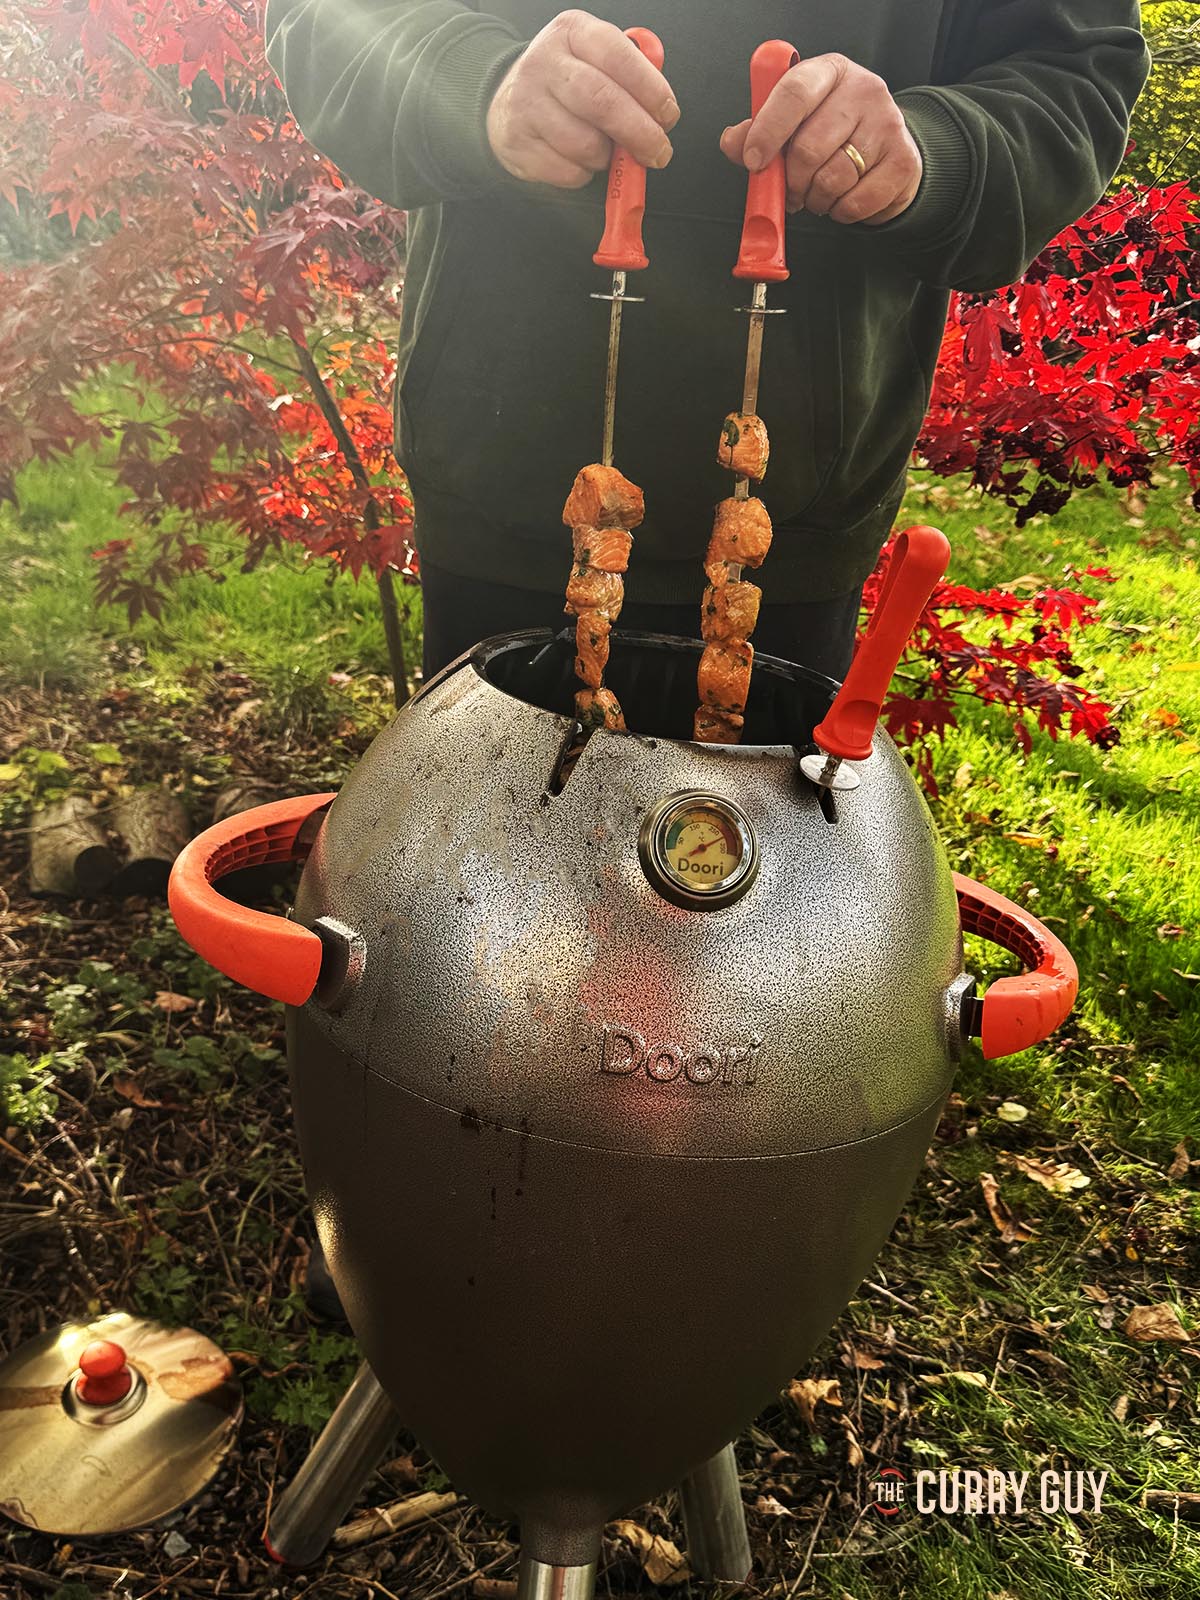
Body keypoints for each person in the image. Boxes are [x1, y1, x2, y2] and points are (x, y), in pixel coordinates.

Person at [265, 0, 1149, 683]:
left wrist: (937, 150)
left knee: (750, 896)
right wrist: (470, 83)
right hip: (496, 485)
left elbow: (1073, 72)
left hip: (795, 528)